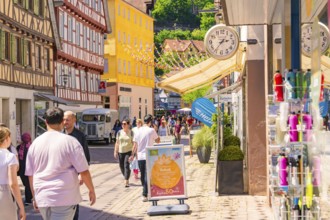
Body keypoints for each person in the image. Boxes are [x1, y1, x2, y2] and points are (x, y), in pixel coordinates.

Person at [25, 107, 96, 220]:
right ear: (62, 122)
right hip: (64, 196)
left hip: (43, 196)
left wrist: (35, 196)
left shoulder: (35, 143)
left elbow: (30, 174)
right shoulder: (70, 142)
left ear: (46, 122)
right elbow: (83, 170)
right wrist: (91, 190)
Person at [64, 111, 91, 220]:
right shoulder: (60, 134)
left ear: (74, 120)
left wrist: (81, 174)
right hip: (61, 174)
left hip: (74, 174)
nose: (65, 122)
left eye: (68, 120)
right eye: (64, 119)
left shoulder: (80, 136)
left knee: (73, 201)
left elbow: (86, 157)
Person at [130, 114, 160, 202]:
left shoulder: (138, 131)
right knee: (147, 175)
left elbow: (135, 144)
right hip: (148, 155)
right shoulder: (151, 130)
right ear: (150, 122)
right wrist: (156, 130)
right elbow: (158, 141)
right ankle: (145, 193)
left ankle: (145, 191)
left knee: (143, 175)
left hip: (140, 156)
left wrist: (132, 154)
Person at [0, 126, 26, 220]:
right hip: (4, 194)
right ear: (6, 138)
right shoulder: (10, 156)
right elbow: (13, 184)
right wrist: (21, 207)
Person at [114, 119, 134, 187]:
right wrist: (115, 151)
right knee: (121, 166)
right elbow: (117, 142)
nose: (123, 125)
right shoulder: (119, 132)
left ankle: (126, 180)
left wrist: (134, 153)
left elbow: (134, 143)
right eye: (122, 124)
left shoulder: (131, 133)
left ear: (128, 125)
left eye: (125, 124)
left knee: (126, 165)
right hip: (120, 151)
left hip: (128, 151)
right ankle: (126, 176)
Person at [16, 132, 33, 205]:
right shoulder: (32, 146)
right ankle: (30, 198)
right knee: (28, 184)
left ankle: (28, 199)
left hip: (23, 169)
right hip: (28, 168)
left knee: (27, 184)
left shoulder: (19, 147)